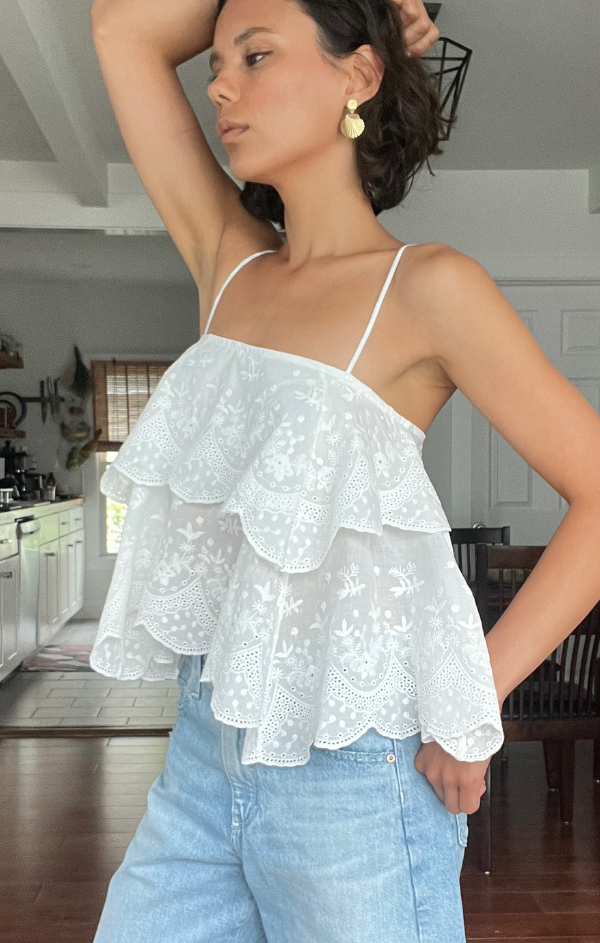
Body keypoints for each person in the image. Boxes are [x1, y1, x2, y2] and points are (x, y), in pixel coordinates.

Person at [89, 0, 600, 940]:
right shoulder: (230, 264)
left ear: (358, 76)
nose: (220, 86)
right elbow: (122, 30)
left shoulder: (430, 287)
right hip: (205, 753)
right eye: (218, 62)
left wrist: (473, 697)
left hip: (358, 775)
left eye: (255, 56)